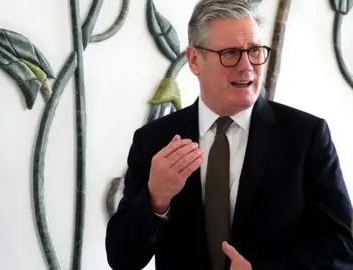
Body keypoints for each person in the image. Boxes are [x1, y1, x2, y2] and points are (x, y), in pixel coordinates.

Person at [104, 0, 353, 269]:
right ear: (195, 59)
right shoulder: (154, 140)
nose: (247, 66)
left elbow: (344, 247)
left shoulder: (306, 136)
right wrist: (157, 198)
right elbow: (123, 259)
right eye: (231, 53)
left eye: (255, 51)